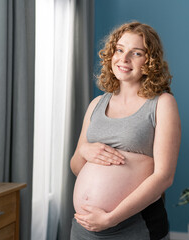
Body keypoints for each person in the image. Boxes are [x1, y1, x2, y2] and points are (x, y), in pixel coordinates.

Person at [70, 21, 181, 240]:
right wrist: (84, 151)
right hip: (84, 229)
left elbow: (164, 177)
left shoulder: (162, 103)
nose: (124, 58)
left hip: (134, 227)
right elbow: (76, 166)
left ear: (149, 61)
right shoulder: (96, 104)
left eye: (136, 53)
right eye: (119, 50)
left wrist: (111, 218)